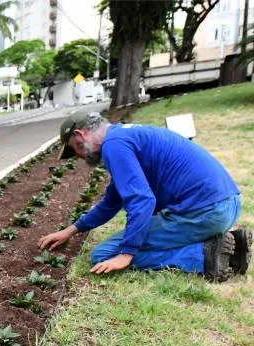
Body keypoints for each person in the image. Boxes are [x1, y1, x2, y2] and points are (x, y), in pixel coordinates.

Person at [40, 110, 250, 281]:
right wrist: (70, 231)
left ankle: (205, 256)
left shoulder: (114, 146)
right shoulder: (124, 136)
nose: (79, 156)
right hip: (226, 205)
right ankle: (232, 248)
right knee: (128, 243)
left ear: (80, 135)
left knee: (104, 255)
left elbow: (141, 200)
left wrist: (126, 254)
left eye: (75, 149)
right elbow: (111, 202)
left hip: (204, 212)